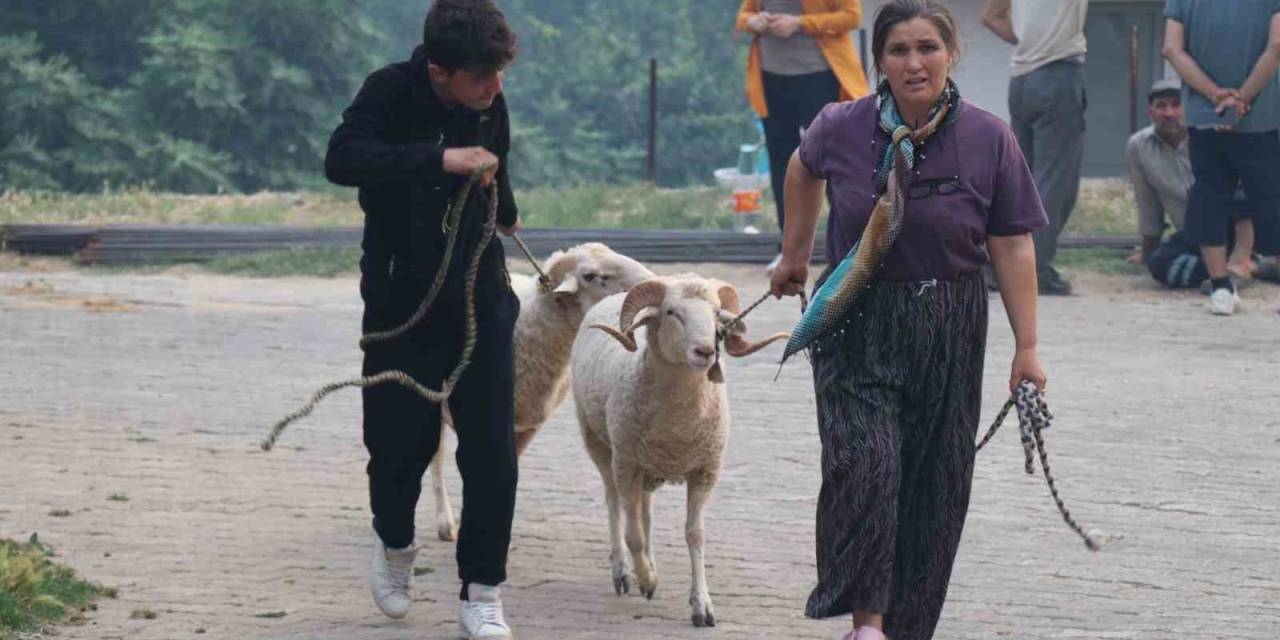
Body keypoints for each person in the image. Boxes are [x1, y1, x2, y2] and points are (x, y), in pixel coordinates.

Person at [768, 1, 1047, 638]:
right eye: (898, 50)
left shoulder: (989, 137)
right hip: (854, 319)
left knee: (935, 483)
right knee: (865, 466)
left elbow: (1011, 242)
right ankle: (866, 623)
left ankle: (904, 628)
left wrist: (1027, 347)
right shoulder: (841, 125)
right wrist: (793, 254)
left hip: (949, 322)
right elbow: (801, 169)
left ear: (952, 53)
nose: (913, 62)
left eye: (927, 48)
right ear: (880, 62)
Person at [323, 1, 521, 637]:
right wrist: (439, 159)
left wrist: (504, 203)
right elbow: (343, 159)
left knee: (493, 450)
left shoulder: (491, 102)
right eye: (481, 77)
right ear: (439, 71)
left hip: (479, 297)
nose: (494, 88)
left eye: (499, 74)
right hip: (401, 304)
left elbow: (500, 173)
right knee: (397, 448)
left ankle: (482, 592)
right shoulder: (387, 92)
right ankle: (395, 544)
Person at [1163, 0, 1280, 314]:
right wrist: (1244, 96)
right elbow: (1277, 43)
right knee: (1271, 198)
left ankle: (1221, 290)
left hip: (1204, 113)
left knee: (1210, 194)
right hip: (1261, 115)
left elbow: (1172, 49)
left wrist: (1215, 95)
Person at [736, 0, 870, 273]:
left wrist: (799, 24)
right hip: (771, 76)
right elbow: (744, 15)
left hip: (819, 74)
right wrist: (754, 22)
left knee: (832, 158)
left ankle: (850, 247)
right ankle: (788, 250)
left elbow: (851, 17)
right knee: (781, 160)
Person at [981, 0, 1089, 295]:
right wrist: (1048, 43)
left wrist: (1031, 40)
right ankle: (1034, 269)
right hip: (1057, 74)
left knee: (1021, 182)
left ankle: (998, 263)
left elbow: (990, 16)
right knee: (1055, 184)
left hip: (1021, 78)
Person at [1126, 79, 1269, 288]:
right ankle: (1255, 268)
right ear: (1151, 112)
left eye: (1176, 104)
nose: (1169, 113)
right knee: (1158, 264)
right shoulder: (1138, 146)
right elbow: (1148, 204)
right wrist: (1147, 253)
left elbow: (1250, 189)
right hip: (1194, 235)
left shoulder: (1214, 134)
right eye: (1161, 106)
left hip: (1238, 228)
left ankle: (1242, 262)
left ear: (1189, 107)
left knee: (1242, 181)